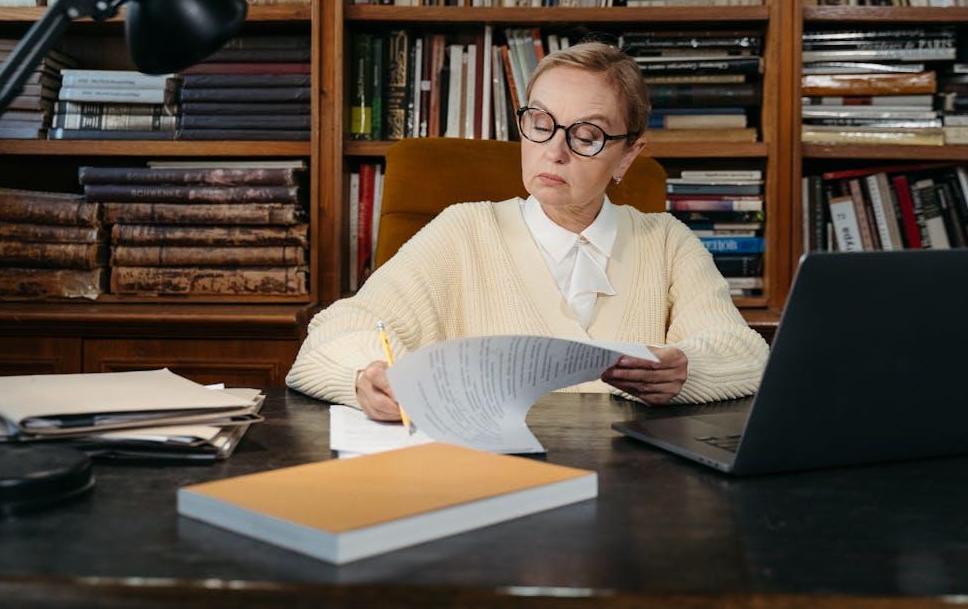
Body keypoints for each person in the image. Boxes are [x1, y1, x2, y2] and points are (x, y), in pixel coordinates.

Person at [287, 41, 768, 420]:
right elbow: (335, 333)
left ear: (627, 155)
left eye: (586, 135)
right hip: (493, 487)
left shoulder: (666, 241)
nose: (554, 151)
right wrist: (367, 376)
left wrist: (687, 370)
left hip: (634, 496)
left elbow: (744, 352)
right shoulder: (464, 231)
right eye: (540, 122)